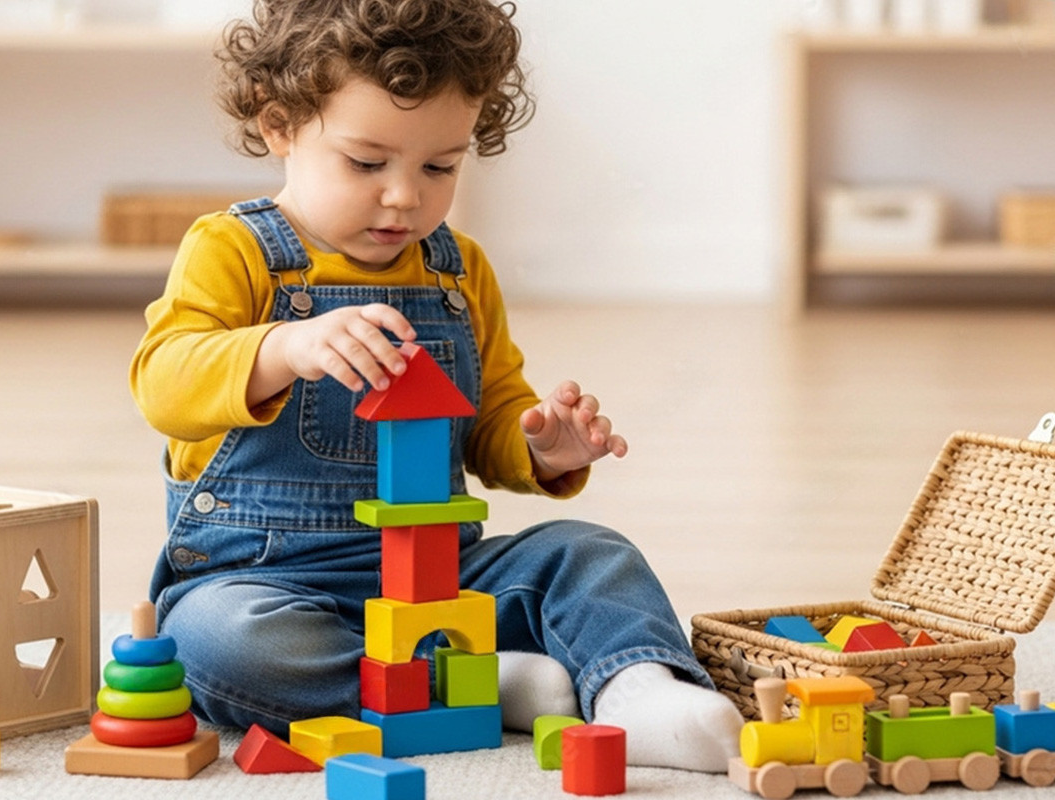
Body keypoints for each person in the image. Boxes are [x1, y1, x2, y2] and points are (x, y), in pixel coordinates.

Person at [129, 0, 741, 772]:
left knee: (590, 554)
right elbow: (162, 382)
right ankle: (477, 685)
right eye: (366, 163)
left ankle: (638, 688)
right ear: (281, 126)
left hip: (436, 578)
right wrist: (284, 346)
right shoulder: (233, 250)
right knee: (213, 642)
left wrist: (541, 445)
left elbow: (488, 422)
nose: (404, 196)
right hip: (265, 579)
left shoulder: (457, 272)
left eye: (439, 167)